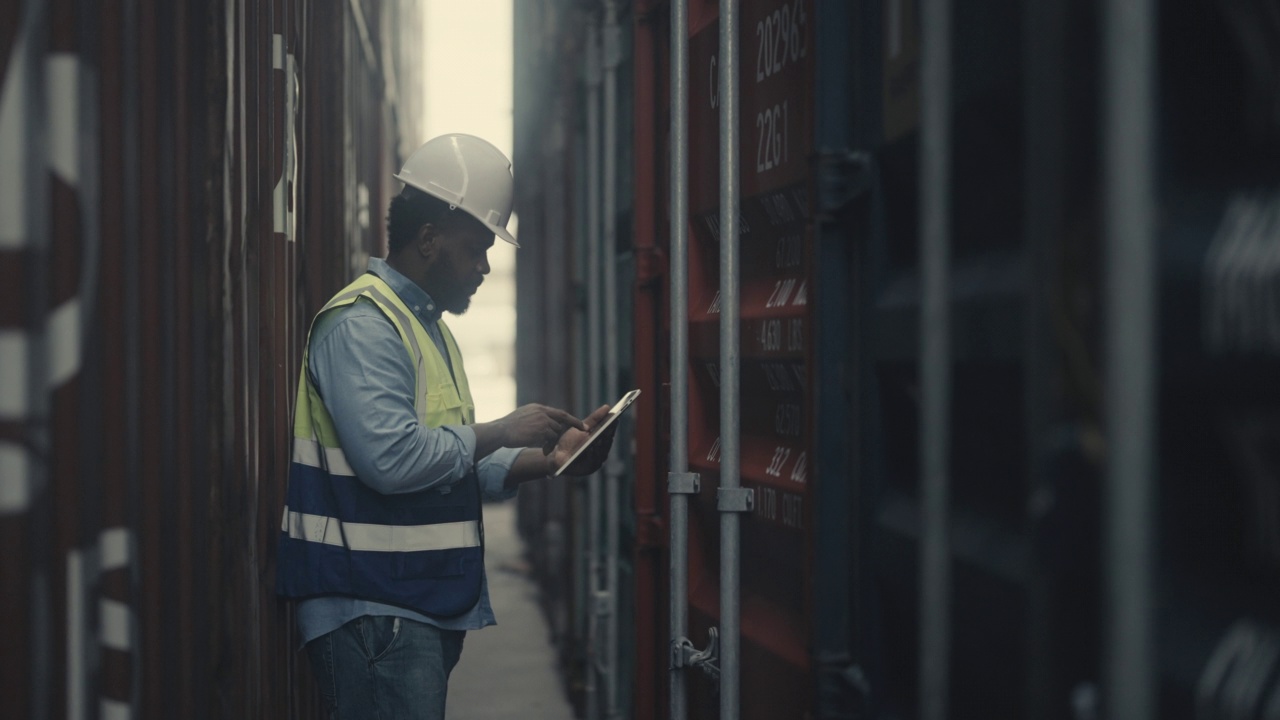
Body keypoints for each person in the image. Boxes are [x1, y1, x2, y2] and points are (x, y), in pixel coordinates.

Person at [276, 133, 616, 719]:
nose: (484, 267)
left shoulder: (424, 328)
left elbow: (452, 463)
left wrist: (553, 459)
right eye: (475, 248)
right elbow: (392, 461)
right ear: (429, 239)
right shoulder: (364, 326)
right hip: (372, 610)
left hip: (404, 605)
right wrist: (504, 429)